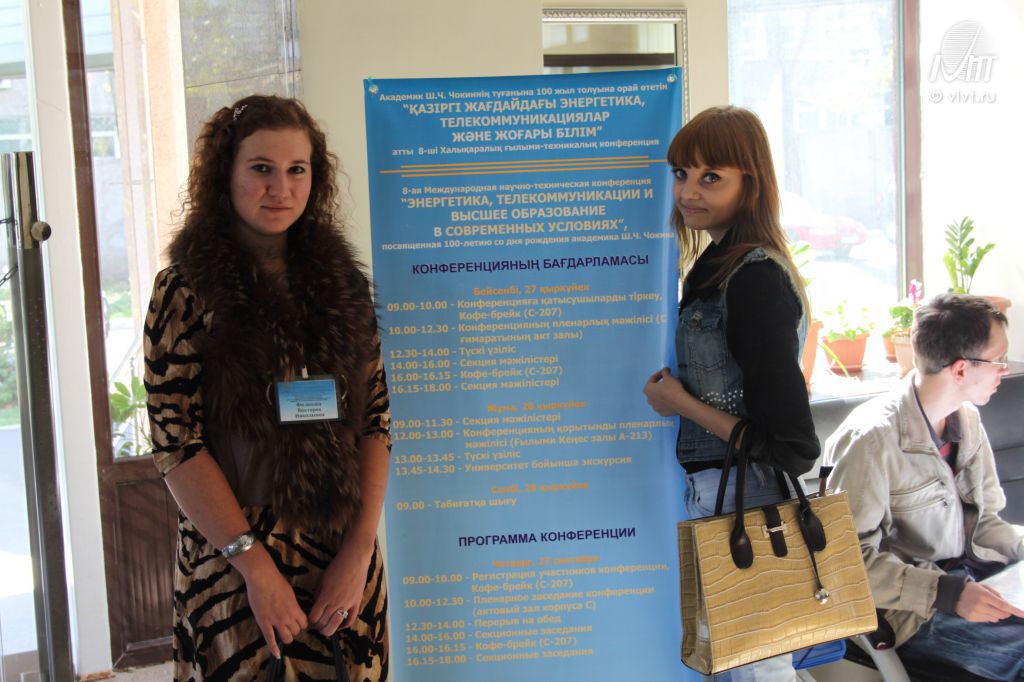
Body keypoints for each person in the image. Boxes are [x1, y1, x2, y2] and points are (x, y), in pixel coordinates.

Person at [144, 95, 391, 680]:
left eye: (296, 170)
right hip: (234, 566)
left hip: (341, 561)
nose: (280, 188)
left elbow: (376, 418)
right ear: (225, 175)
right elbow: (176, 444)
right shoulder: (184, 288)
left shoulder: (343, 284)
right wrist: (255, 568)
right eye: (261, 168)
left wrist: (359, 549)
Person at [643, 105, 819, 681]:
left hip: (748, 500)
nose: (688, 191)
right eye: (681, 173)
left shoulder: (754, 278)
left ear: (751, 183)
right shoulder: (716, 267)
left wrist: (680, 404)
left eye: (711, 176)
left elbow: (791, 445)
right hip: (723, 496)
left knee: (759, 671)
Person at [827, 293, 1024, 680]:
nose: (1004, 370)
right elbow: (844, 566)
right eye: (998, 360)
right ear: (961, 369)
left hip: (977, 583)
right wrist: (947, 593)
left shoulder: (966, 420)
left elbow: (984, 523)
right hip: (912, 615)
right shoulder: (871, 440)